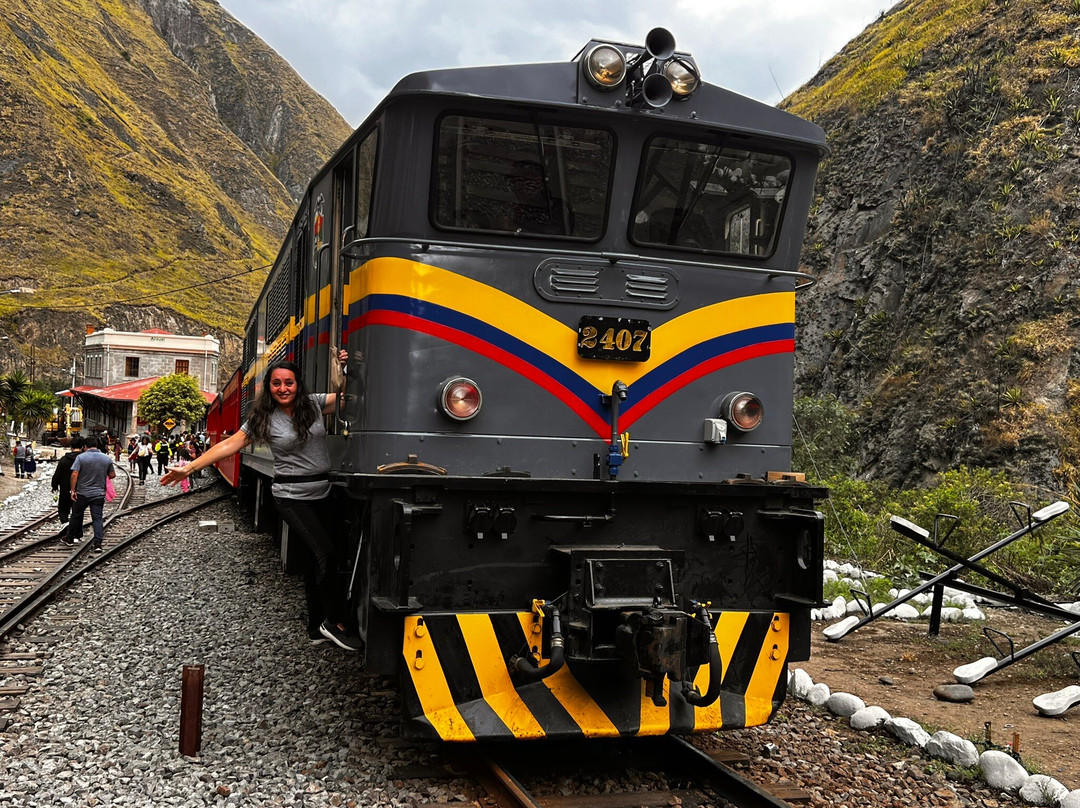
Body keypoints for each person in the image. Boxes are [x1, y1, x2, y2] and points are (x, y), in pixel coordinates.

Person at [162, 350, 360, 651]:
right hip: (292, 498)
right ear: (269, 386)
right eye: (277, 383)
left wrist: (343, 368)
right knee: (328, 555)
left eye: (289, 383)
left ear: (298, 384)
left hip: (323, 492)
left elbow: (347, 397)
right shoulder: (264, 419)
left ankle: (315, 627)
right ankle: (333, 621)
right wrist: (189, 467)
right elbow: (229, 445)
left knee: (314, 560)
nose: (283, 389)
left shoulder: (314, 405)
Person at [65, 434, 116, 553]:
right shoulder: (106, 458)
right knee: (97, 518)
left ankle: (70, 538)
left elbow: (74, 474)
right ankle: (98, 543)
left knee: (76, 515)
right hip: (98, 493)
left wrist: (73, 490)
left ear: (85, 446)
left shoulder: (81, 458)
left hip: (83, 493)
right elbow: (112, 475)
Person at [51, 436, 85, 524]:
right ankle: (74, 530)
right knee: (77, 512)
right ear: (82, 447)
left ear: (71, 447)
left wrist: (54, 485)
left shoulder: (64, 460)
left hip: (65, 490)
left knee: (63, 510)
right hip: (80, 490)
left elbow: (57, 474)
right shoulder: (84, 460)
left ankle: (65, 524)